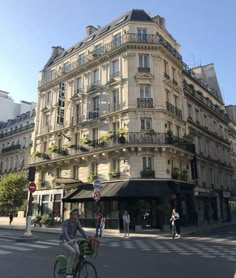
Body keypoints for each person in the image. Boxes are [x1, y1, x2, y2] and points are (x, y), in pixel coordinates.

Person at [60, 208, 88, 278]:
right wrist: (69, 240)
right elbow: (65, 232)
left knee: (78, 253)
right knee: (73, 252)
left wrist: (87, 238)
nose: (76, 216)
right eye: (75, 214)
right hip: (64, 241)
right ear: (71, 215)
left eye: (77, 214)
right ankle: (68, 273)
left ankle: (73, 268)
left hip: (72, 241)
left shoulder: (77, 222)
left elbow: (81, 231)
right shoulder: (66, 222)